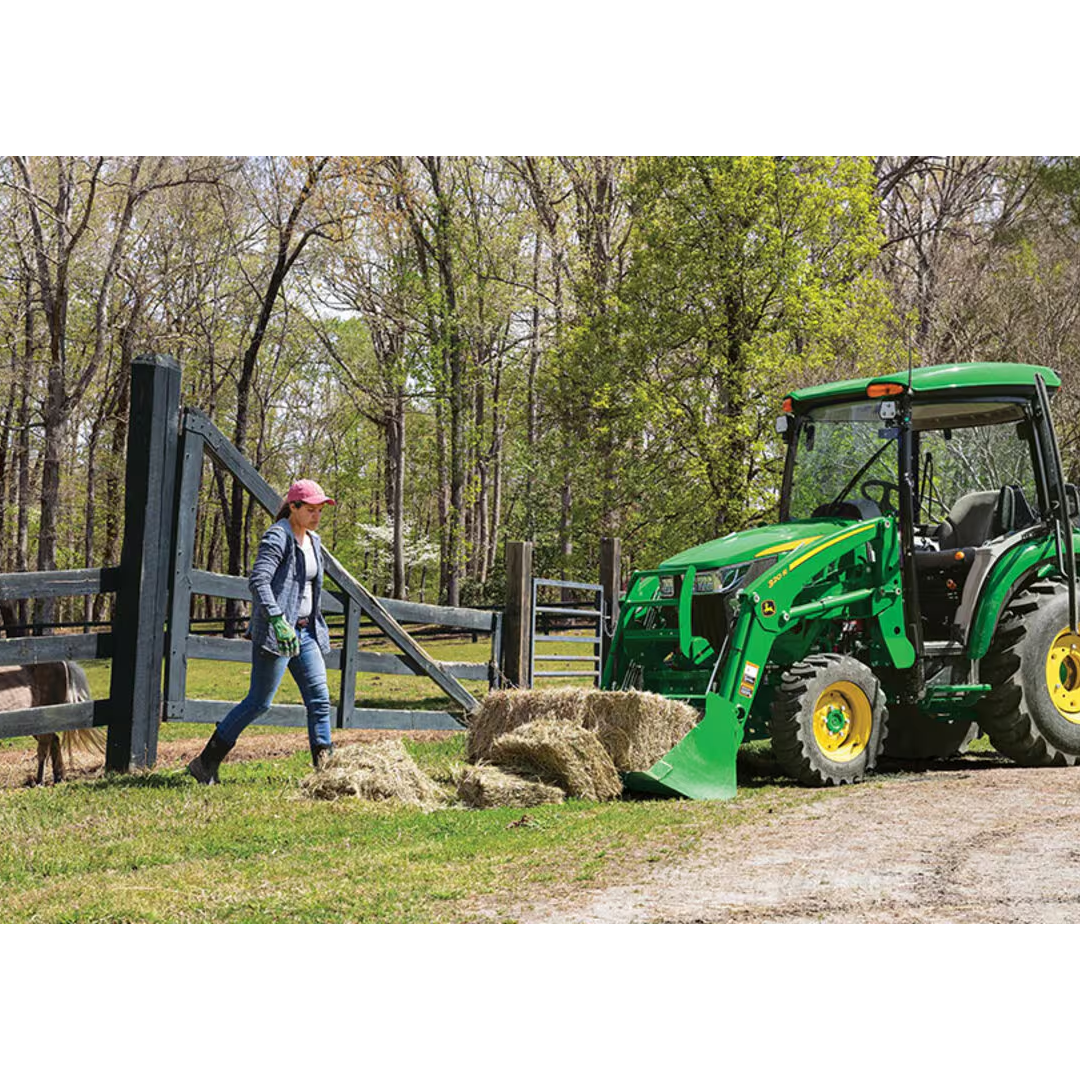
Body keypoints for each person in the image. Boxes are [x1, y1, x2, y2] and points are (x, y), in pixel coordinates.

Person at [187, 479, 337, 784]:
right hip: (278, 633)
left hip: (306, 633)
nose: (316, 516)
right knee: (259, 702)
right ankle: (206, 762)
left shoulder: (314, 541)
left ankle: (326, 775)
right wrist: (278, 620)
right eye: (310, 509)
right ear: (293, 507)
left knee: (320, 701)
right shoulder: (277, 537)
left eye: (320, 510)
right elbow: (258, 581)